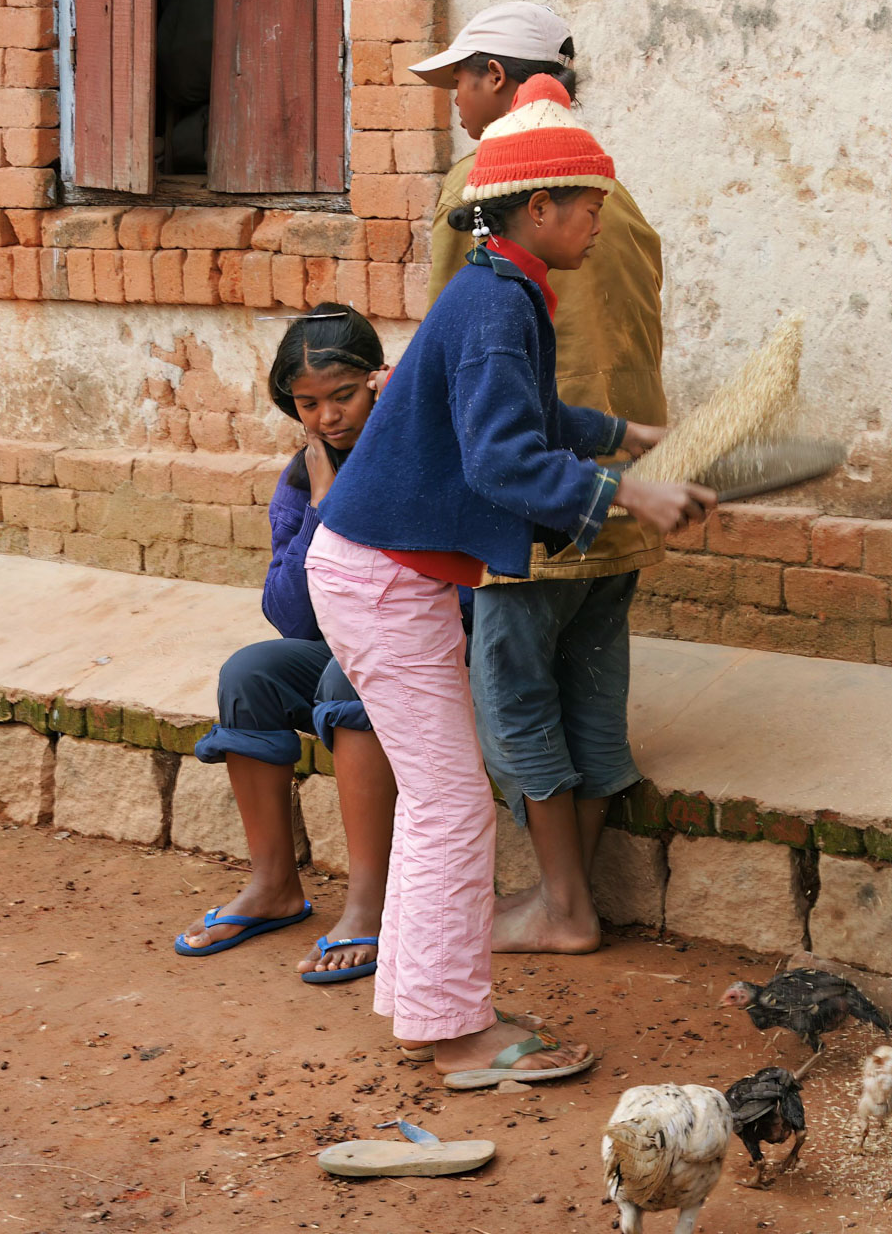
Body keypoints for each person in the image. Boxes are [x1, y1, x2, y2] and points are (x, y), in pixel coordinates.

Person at [304, 76, 713, 1086]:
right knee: (452, 804)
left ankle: (424, 1001)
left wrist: (628, 435)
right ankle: (454, 1029)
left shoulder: (503, 290)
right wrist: (629, 493)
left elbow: (537, 415)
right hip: (378, 580)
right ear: (538, 208)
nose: (599, 223)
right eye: (588, 206)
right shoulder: (496, 305)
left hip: (379, 573)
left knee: (442, 799)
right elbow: (501, 460)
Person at [411, 3, 668, 955]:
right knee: (592, 689)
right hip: (621, 490)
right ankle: (572, 895)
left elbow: (459, 354)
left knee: (515, 698)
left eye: (460, 80)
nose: (455, 100)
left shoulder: (484, 190)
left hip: (533, 498)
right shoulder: (612, 194)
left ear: (495, 77)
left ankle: (562, 906)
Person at [174, 304, 413, 985]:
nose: (328, 417)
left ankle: (368, 903)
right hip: (350, 647)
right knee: (252, 672)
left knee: (344, 680)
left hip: (434, 649)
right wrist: (318, 505)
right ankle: (274, 884)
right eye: (309, 404)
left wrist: (342, 500)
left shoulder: (416, 454)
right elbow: (291, 617)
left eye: (344, 395)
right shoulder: (303, 474)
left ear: (378, 380)